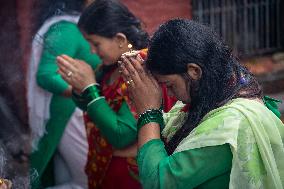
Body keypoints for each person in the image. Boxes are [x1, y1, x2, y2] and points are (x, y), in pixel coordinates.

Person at [119, 19, 284, 189]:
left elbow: (158, 183)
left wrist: (148, 112)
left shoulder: (230, 127)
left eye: (169, 85)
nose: (168, 94)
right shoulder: (221, 89)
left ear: (194, 71)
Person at [56, 1, 175, 188]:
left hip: (130, 175)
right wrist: (81, 87)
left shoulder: (140, 67)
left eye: (95, 43)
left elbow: (121, 135)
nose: (91, 51)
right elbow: (93, 105)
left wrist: (89, 87)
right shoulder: (110, 67)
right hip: (107, 169)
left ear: (120, 39)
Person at [27, 0, 100, 188]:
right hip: (69, 115)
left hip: (86, 112)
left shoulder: (82, 25)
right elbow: (45, 75)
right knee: (90, 180)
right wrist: (84, 92)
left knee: (68, 179)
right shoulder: (66, 28)